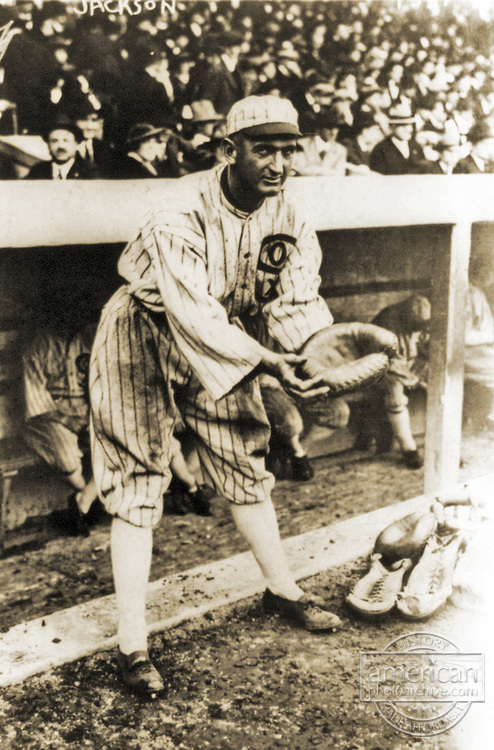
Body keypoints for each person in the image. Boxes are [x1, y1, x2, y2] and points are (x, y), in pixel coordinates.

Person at [89, 95, 346, 696]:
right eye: (264, 149)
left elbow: (296, 296)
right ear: (229, 151)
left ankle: (283, 590)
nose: (279, 163)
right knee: (136, 480)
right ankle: (132, 644)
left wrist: (312, 354)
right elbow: (191, 310)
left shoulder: (291, 212)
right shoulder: (177, 203)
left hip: (230, 336)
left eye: (289, 149)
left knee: (244, 461)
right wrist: (268, 361)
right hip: (144, 330)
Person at [23, 323, 99, 537]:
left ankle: (84, 502)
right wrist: (69, 420)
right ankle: (88, 498)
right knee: (67, 459)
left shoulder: (90, 338)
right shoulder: (39, 345)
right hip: (48, 418)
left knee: (120, 444)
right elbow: (37, 404)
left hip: (85, 414)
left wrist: (93, 417)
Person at [25, 116, 96, 179]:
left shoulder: (89, 173)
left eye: (66, 141)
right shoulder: (37, 171)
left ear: (76, 144)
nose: (60, 146)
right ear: (48, 144)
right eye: (54, 141)